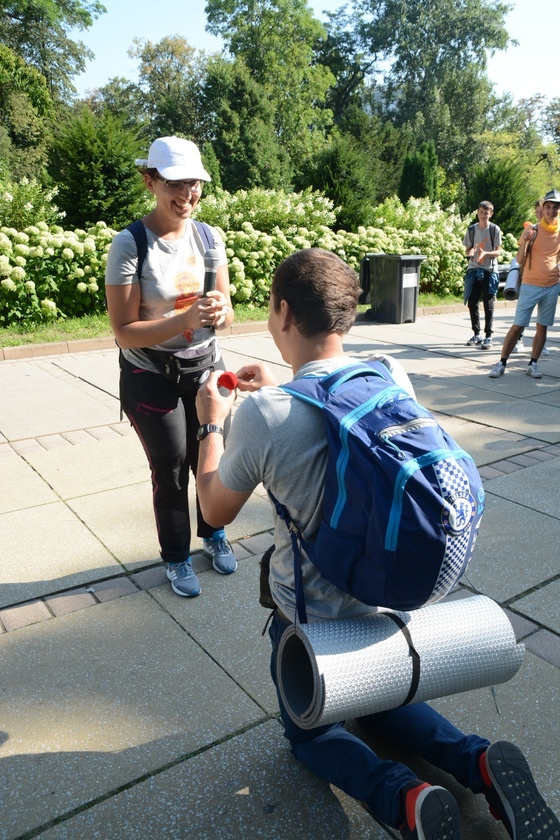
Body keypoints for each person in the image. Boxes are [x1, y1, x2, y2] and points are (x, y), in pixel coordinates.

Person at [194, 248, 560, 839]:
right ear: (347, 315)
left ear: (283, 312)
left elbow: (212, 511)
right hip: (389, 600)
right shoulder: (389, 373)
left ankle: (405, 797)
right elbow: (331, 416)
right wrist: (279, 391)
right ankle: (477, 761)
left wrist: (214, 421)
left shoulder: (263, 415)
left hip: (311, 624)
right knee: (383, 703)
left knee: (308, 732)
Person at [105, 136, 237, 598]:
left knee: (213, 453)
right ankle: (177, 558)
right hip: (151, 375)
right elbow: (123, 331)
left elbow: (229, 310)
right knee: (171, 466)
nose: (187, 195)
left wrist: (222, 313)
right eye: (175, 184)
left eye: (195, 184)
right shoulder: (130, 244)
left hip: (206, 368)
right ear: (150, 182)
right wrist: (182, 319)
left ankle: (214, 532)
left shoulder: (208, 236)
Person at [489, 189, 560, 380]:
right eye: (549, 207)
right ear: (543, 209)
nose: (552, 211)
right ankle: (502, 362)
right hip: (530, 285)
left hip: (552, 286)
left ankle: (533, 364)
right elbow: (519, 259)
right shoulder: (533, 230)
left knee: (542, 326)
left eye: (555, 207)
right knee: (518, 326)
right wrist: (526, 240)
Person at [463, 200, 502, 349]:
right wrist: (470, 252)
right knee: (472, 302)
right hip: (473, 269)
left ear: (490, 214)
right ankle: (476, 334)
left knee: (488, 304)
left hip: (489, 270)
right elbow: (467, 250)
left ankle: (489, 336)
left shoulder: (494, 229)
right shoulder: (471, 230)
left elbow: (498, 251)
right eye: (481, 212)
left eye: (487, 213)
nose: (484, 215)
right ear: (477, 213)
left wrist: (486, 253)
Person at [513, 200, 549, 355]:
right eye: (538, 212)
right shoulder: (531, 230)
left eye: (542, 211)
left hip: (547, 281)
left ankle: (540, 344)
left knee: (542, 317)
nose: (540, 214)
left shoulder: (553, 230)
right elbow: (520, 255)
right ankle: (518, 340)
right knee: (522, 314)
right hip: (528, 278)